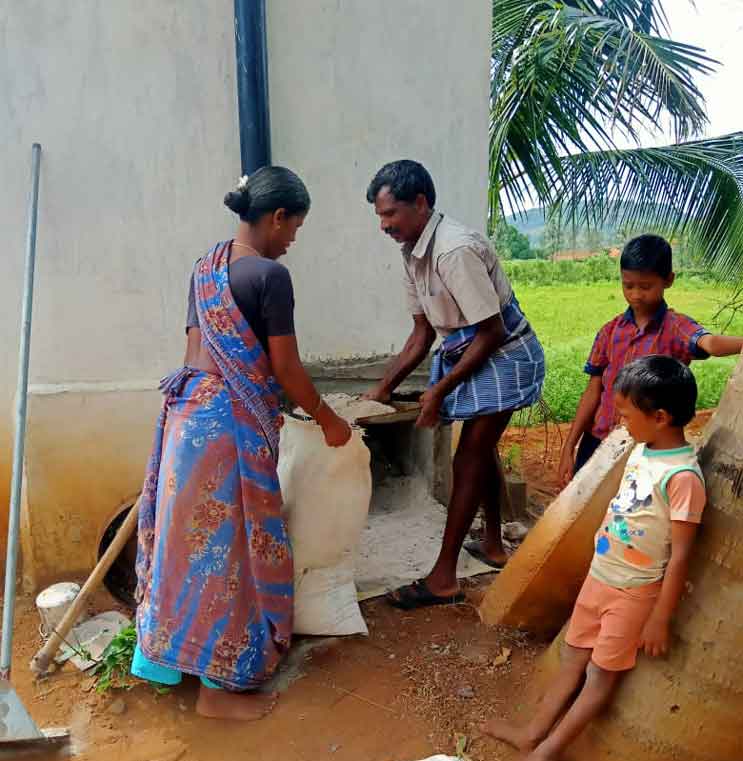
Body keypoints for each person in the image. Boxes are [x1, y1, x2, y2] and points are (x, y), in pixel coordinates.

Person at [132, 166, 351, 721]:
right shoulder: (270, 278)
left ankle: (166, 660)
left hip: (185, 417)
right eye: (295, 227)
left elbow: (191, 353)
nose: (293, 241)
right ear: (277, 217)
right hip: (228, 425)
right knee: (229, 556)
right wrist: (327, 418)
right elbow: (285, 368)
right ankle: (217, 691)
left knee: (185, 551)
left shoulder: (204, 268)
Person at [483, 356, 706, 761]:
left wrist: (660, 617)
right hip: (601, 578)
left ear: (659, 417)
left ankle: (546, 756)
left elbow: (680, 556)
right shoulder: (643, 450)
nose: (619, 421)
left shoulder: (683, 478)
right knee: (573, 656)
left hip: (633, 594)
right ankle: (532, 733)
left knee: (600, 677)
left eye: (626, 414)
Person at [364, 160, 545, 609]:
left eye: (391, 215)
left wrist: (437, 391)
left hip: (502, 353)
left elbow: (492, 332)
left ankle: (443, 577)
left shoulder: (452, 251)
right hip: (469, 349)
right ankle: (494, 544)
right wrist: (381, 390)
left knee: (469, 456)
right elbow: (422, 334)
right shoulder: (412, 250)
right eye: (380, 217)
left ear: (421, 204)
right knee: (480, 448)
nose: (385, 226)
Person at [558, 234, 743, 488]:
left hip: (645, 450)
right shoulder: (610, 331)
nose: (635, 295)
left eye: (645, 287)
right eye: (628, 285)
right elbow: (593, 390)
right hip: (597, 441)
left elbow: (709, 343)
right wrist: (570, 446)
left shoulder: (676, 327)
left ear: (668, 280)